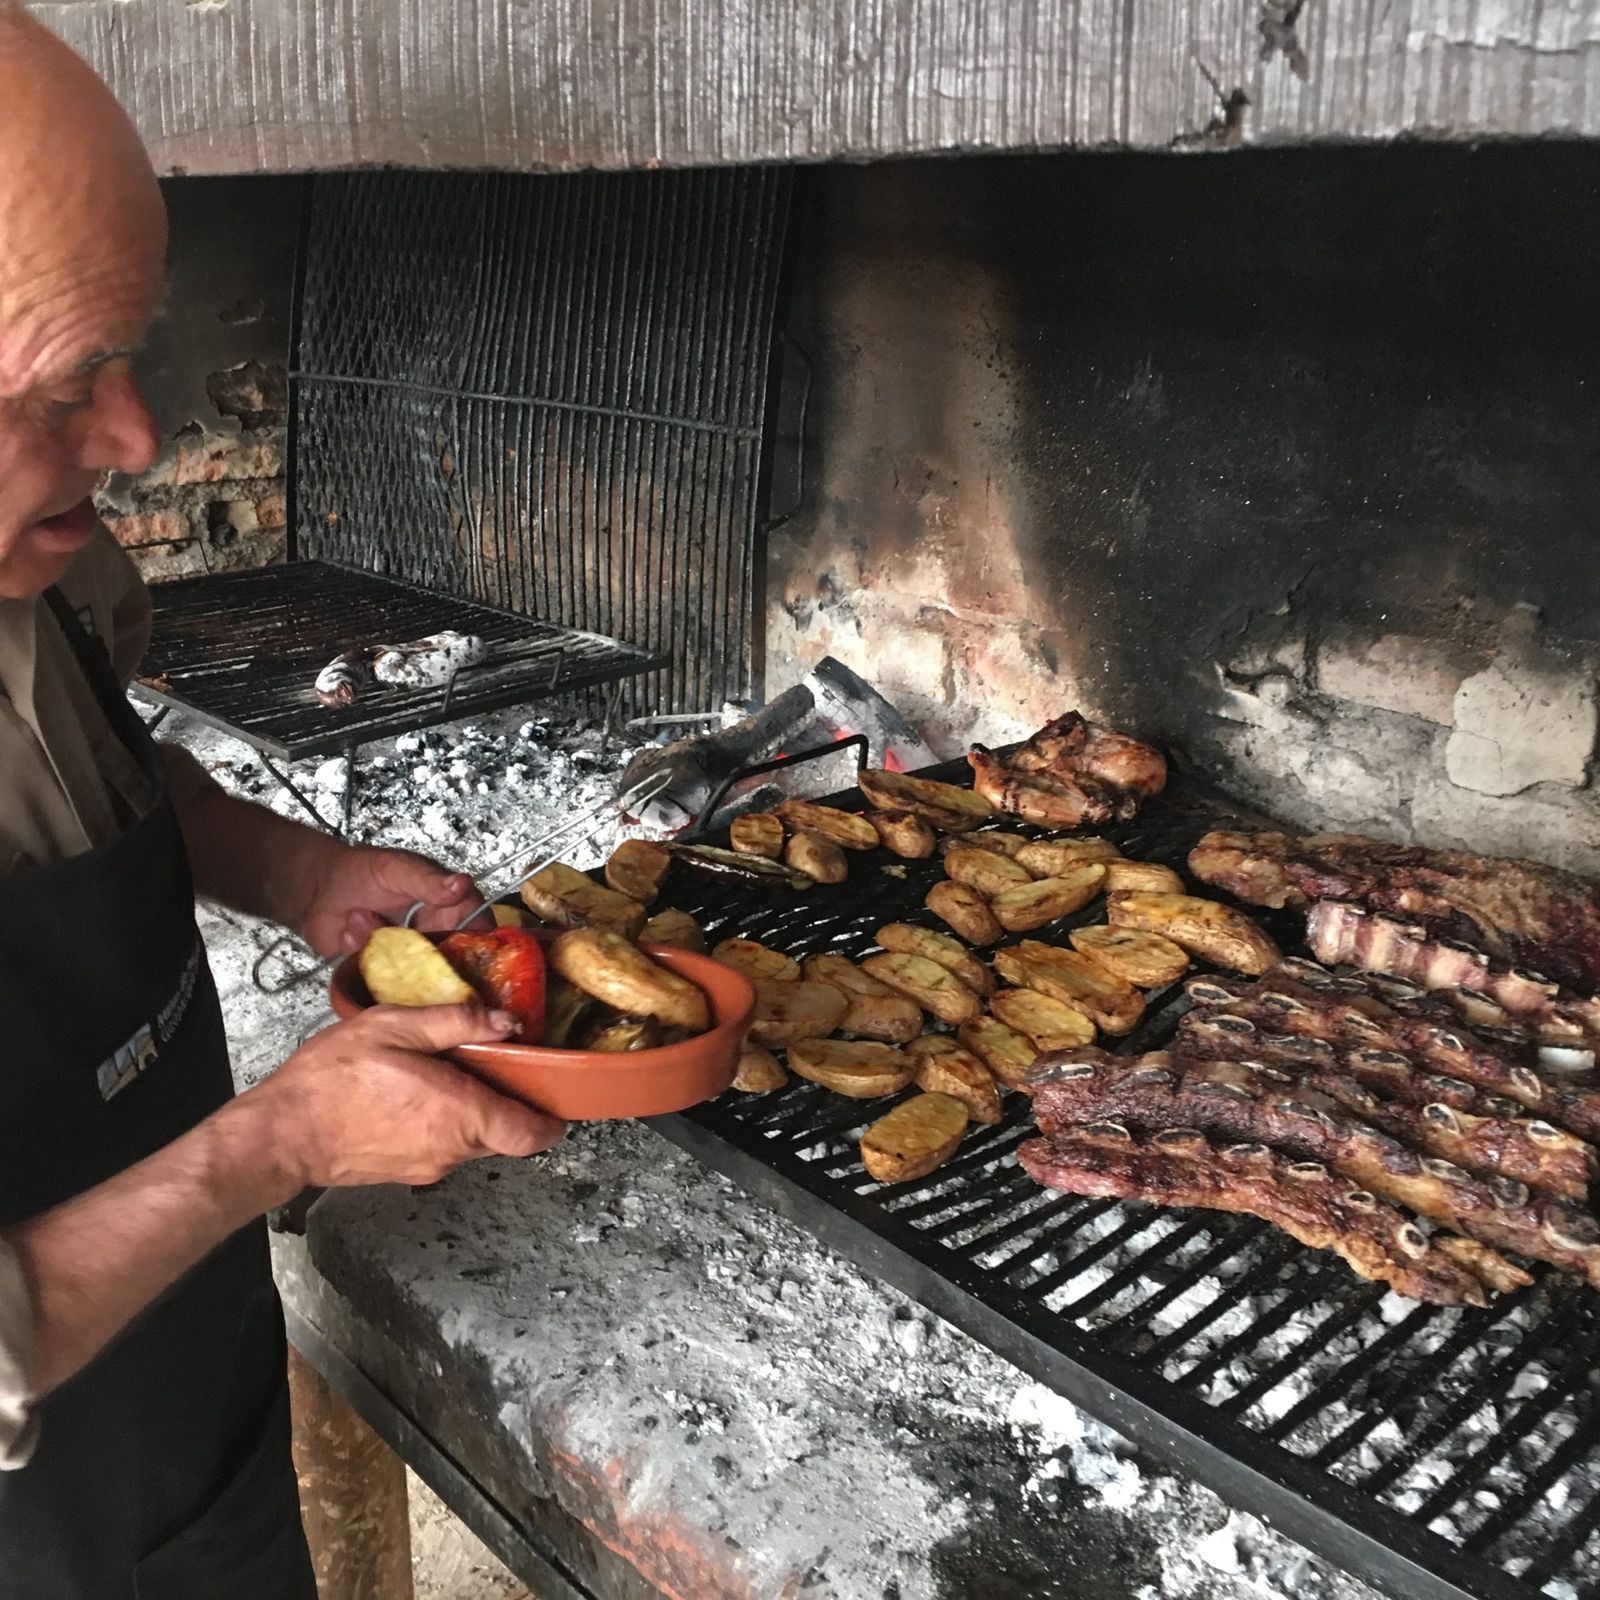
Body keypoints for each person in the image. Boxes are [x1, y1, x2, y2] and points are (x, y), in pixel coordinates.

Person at [0, 7, 566, 1593]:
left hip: (189, 1396)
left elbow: (101, 784)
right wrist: (280, 1143)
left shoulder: (33, 565)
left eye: (128, 357)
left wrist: (296, 874)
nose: (134, 436)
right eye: (61, 385)